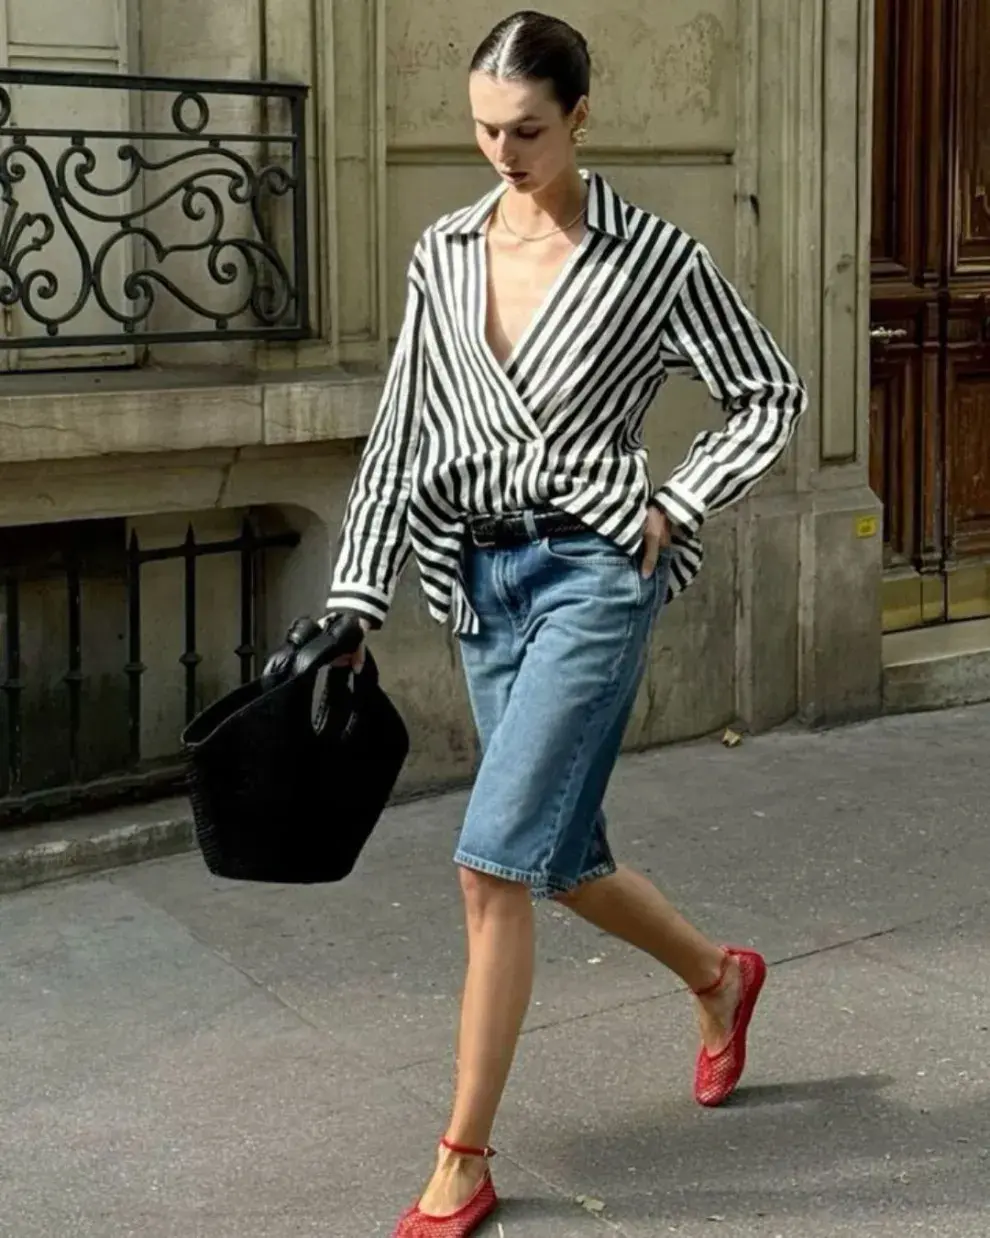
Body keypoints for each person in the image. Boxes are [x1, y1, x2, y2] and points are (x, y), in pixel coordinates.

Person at [324, 11, 808, 1236]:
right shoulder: (441, 252)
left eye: (526, 129)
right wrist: (352, 597)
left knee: (492, 862)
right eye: (484, 128)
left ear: (580, 116)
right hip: (477, 581)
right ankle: (719, 976)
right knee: (563, 856)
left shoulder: (653, 258)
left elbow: (769, 393)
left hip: (596, 572)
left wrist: (678, 499)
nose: (501, 150)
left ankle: (462, 1158)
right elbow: (403, 434)